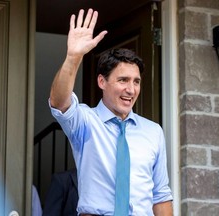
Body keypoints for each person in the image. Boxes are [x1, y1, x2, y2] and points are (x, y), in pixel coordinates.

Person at [49, 8, 173, 216]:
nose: (131, 90)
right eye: (123, 80)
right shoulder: (85, 121)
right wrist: (73, 56)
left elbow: (160, 195)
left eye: (136, 82)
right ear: (102, 81)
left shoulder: (154, 132)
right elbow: (59, 101)